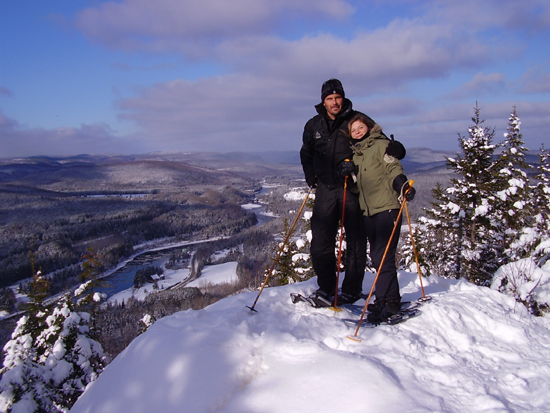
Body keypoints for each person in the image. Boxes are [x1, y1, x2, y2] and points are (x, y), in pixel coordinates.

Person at [299, 79, 406, 306]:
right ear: (323, 101)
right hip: (326, 188)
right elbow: (306, 153)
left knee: (356, 242)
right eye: (329, 98)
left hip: (353, 188)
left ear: (343, 97)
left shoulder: (356, 119)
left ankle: (351, 289)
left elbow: (379, 142)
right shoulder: (313, 125)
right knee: (320, 242)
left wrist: (399, 149)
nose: (334, 102)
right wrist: (311, 177)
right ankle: (326, 287)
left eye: (337, 97)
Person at [347, 113, 416, 322]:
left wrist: (402, 185)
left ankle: (390, 302)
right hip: (368, 212)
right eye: (353, 130)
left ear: (369, 127)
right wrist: (348, 177)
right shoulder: (357, 155)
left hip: (387, 208)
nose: (357, 132)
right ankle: (384, 299)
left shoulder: (382, 145)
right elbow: (358, 187)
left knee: (382, 256)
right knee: (378, 257)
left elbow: (393, 168)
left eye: (360, 127)